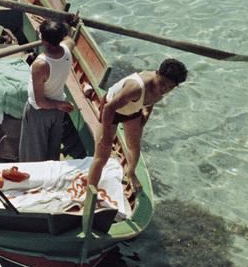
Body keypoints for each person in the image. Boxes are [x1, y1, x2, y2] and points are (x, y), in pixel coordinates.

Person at [86, 58, 188, 194]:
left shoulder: (162, 87)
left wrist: (145, 116)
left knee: (134, 145)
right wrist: (106, 136)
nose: (164, 89)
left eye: (170, 87)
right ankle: (90, 191)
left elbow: (151, 101)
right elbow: (109, 108)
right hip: (113, 111)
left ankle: (131, 173)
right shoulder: (136, 88)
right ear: (156, 73)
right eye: (162, 84)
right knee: (102, 155)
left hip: (134, 110)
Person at [19, 19, 76, 162]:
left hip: (39, 112)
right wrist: (69, 23)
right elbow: (69, 38)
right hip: (57, 112)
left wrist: (58, 105)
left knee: (32, 154)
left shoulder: (41, 65)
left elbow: (40, 101)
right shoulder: (68, 48)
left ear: (44, 41)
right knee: (52, 151)